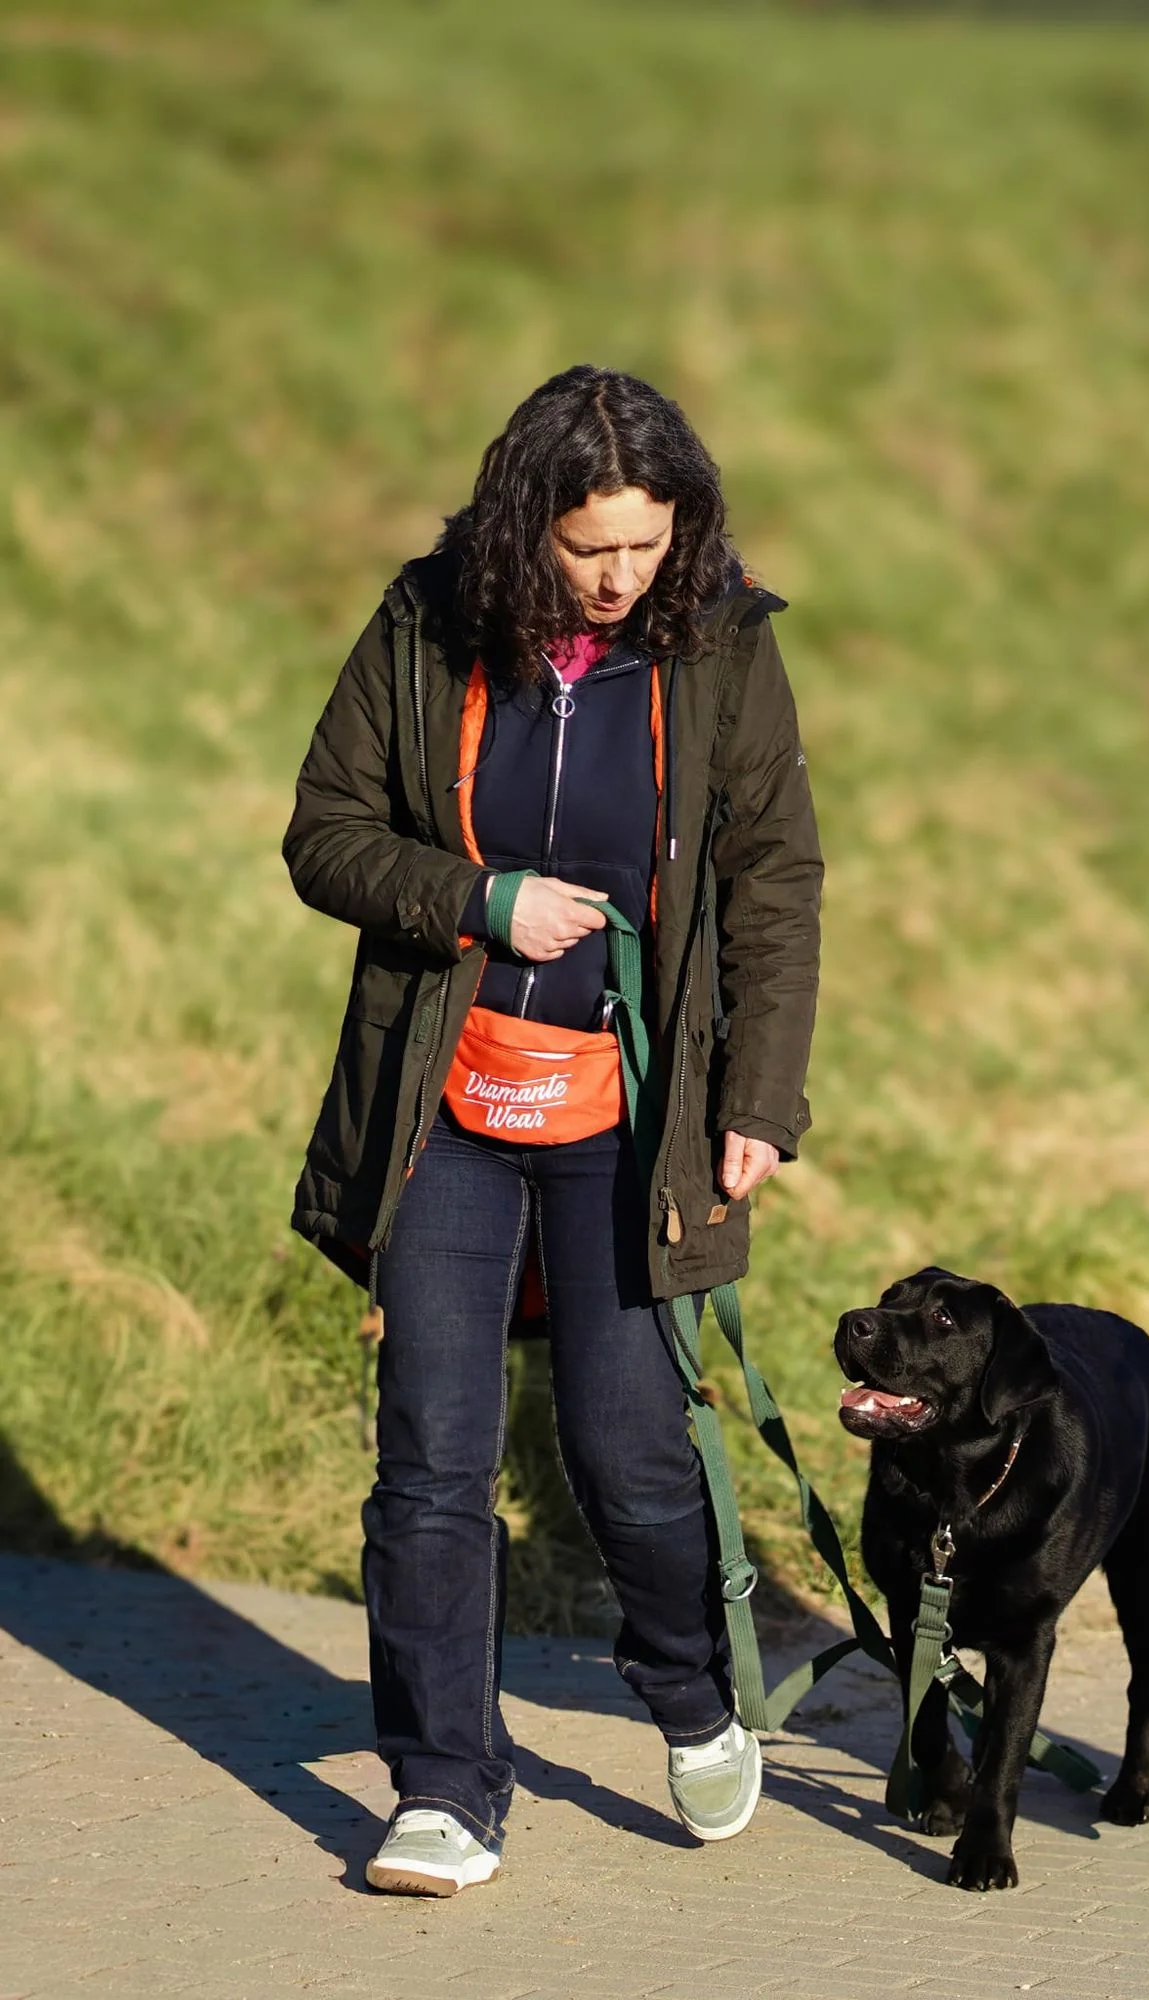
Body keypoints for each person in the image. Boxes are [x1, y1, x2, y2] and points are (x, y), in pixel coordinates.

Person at [283, 365, 821, 1896]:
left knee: (631, 1454)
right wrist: (477, 899)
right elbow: (324, 832)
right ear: (530, 529)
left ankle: (688, 1685)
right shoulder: (424, 623)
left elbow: (775, 880)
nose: (626, 576)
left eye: (650, 545)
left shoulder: (718, 644)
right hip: (442, 1108)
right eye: (596, 549)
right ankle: (447, 1786)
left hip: (634, 1118)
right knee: (429, 1460)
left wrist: (759, 1106)